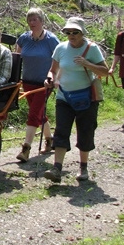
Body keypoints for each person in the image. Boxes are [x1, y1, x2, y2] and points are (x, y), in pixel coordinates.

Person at [43, 17, 108, 183]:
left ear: (82, 33)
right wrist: (49, 79)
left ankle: (83, 167)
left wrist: (87, 63)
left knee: (85, 131)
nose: (71, 35)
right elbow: (53, 70)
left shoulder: (92, 49)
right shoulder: (60, 48)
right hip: (64, 96)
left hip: (86, 98)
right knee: (61, 130)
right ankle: (57, 168)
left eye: (75, 32)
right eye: (68, 32)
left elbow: (105, 71)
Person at [14, 8, 60, 162]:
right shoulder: (24, 39)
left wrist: (53, 77)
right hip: (27, 82)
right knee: (39, 114)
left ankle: (26, 149)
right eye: (29, 20)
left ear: (42, 21)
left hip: (44, 84)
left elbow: (59, 60)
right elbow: (17, 59)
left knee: (33, 114)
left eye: (35, 19)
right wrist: (16, 80)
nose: (32, 23)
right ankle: (50, 140)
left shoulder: (51, 40)